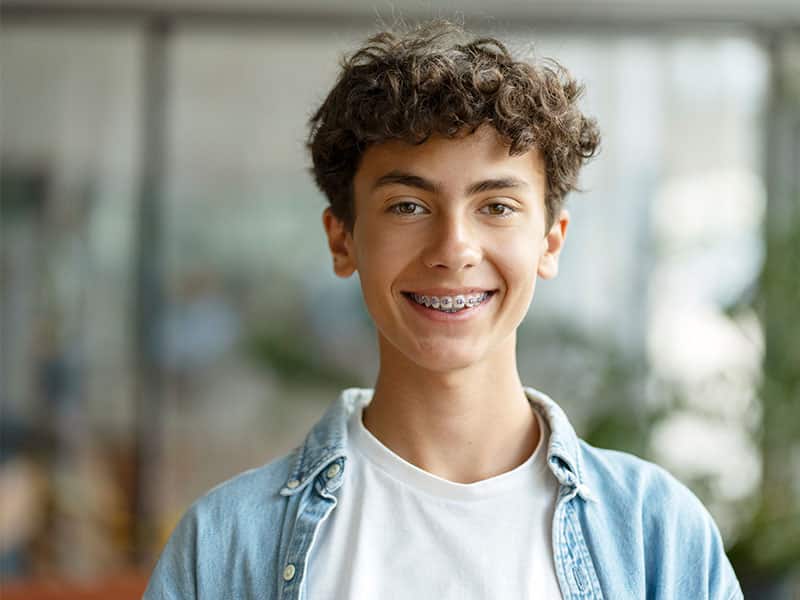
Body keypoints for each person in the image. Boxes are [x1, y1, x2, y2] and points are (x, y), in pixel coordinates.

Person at [144, 20, 743, 599]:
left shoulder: (654, 533)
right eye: (408, 206)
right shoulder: (226, 545)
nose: (454, 249)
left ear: (551, 241)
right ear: (342, 239)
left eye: (497, 206)